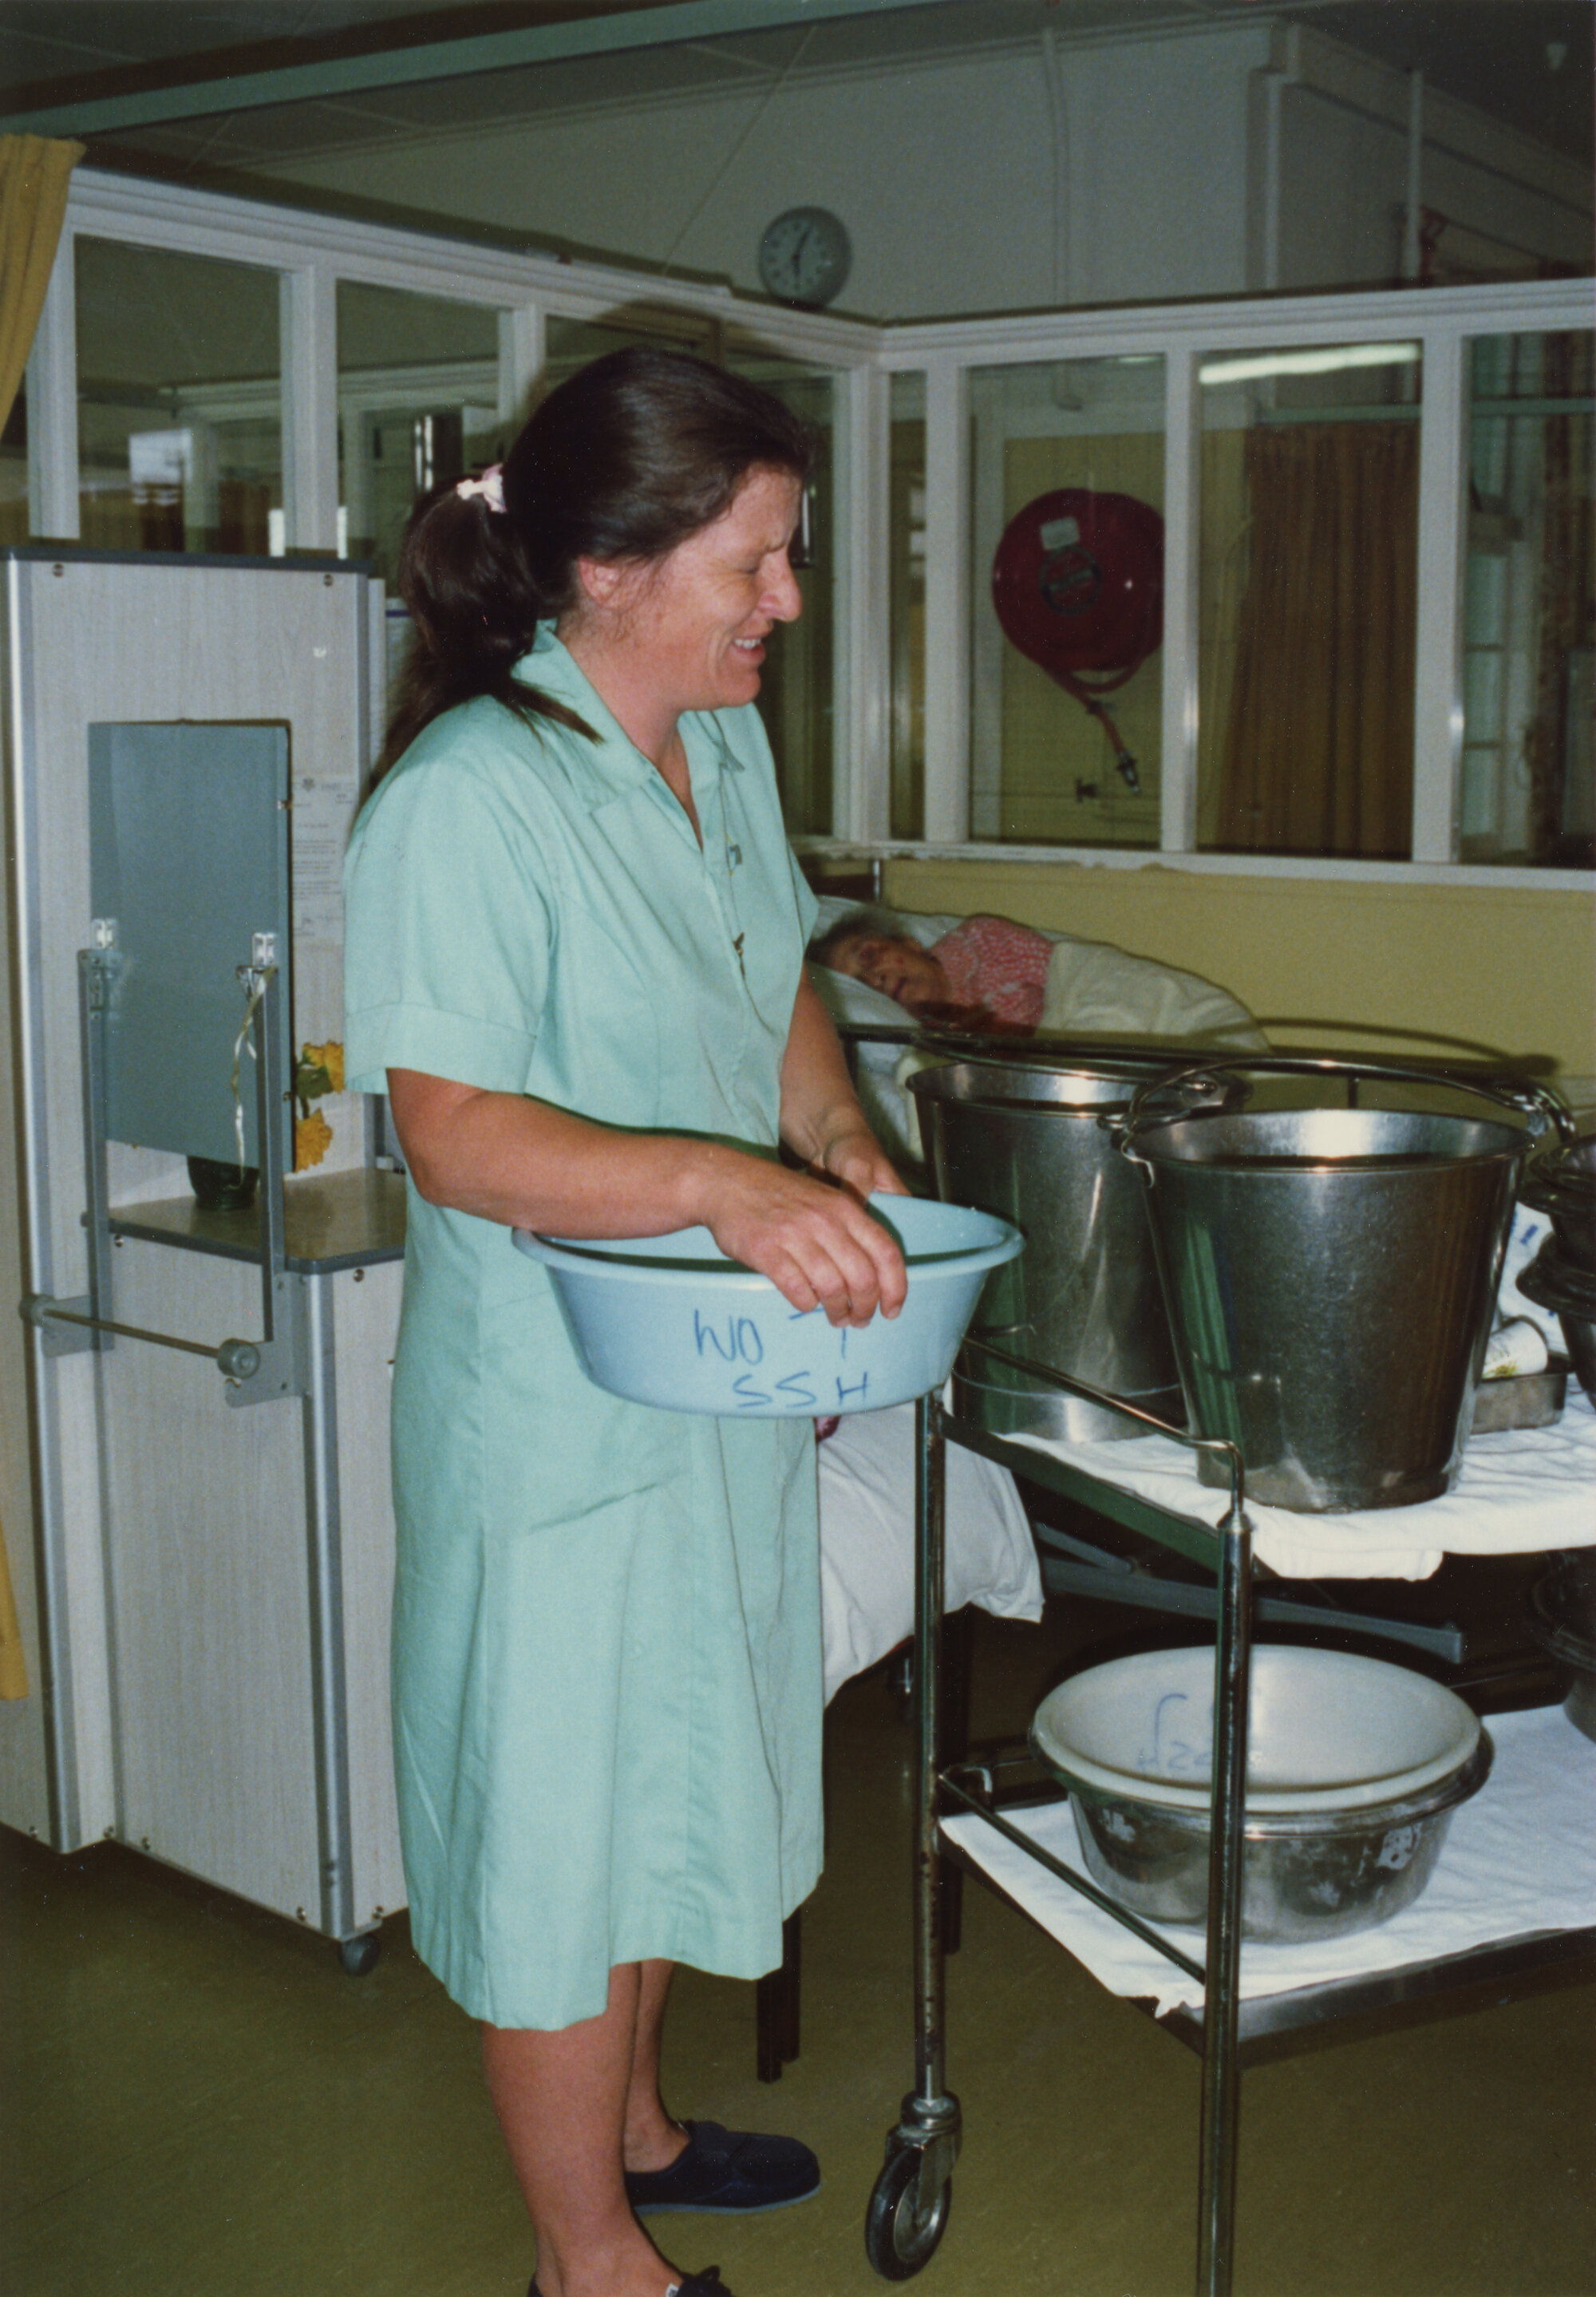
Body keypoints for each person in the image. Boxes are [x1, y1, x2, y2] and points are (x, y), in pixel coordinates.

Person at [342, 347, 908, 2297]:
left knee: (666, 1776)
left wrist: (829, 1134)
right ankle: (587, 2261)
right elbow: (453, 1134)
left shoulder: (715, 747)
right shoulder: (467, 799)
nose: (788, 601)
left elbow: (773, 972)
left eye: (786, 553)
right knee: (562, 1849)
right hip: (557, 1426)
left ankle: (645, 2131)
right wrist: (721, 1185)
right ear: (605, 567)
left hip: (705, 1392)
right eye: (755, 562)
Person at [811, 907, 1053, 1031]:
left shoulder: (982, 940)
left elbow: (1067, 973)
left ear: (909, 943)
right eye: (860, 985)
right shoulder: (925, 1043)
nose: (875, 980)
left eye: (870, 956)